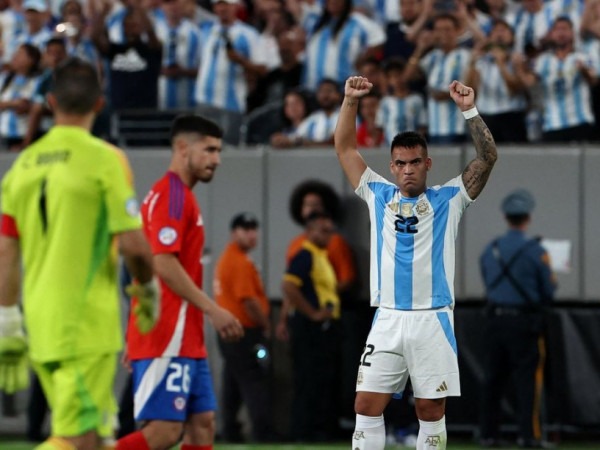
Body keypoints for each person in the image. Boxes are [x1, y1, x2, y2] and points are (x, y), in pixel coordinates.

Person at [0, 57, 159, 450]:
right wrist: (147, 288)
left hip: (40, 322)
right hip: (85, 323)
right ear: (99, 105)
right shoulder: (105, 159)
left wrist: (7, 318)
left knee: (97, 437)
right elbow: (133, 244)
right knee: (78, 438)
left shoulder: (21, 166)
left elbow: (5, 250)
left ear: (50, 102)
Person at [334, 75, 498, 450]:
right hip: (388, 317)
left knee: (430, 409)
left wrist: (469, 110)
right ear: (391, 167)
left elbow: (488, 158)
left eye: (414, 162)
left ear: (427, 163)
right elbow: (344, 148)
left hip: (432, 317)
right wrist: (350, 100)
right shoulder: (377, 194)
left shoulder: (450, 198)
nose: (407, 169)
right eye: (400, 163)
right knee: (365, 404)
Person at [116, 114, 244, 450]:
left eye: (219, 151)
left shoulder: (179, 196)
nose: (217, 159)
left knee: (203, 424)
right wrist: (212, 309)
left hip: (184, 336)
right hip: (167, 334)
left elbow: (140, 266)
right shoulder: (172, 197)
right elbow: (162, 262)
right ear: (183, 148)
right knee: (164, 432)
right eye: (209, 150)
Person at [479, 189, 557, 449]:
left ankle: (488, 434)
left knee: (492, 379)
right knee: (527, 381)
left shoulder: (491, 249)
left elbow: (487, 280)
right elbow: (548, 290)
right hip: (524, 323)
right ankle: (528, 435)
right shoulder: (536, 250)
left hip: (494, 321)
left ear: (505, 217)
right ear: (528, 218)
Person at [282, 211, 341, 442]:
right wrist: (313, 313)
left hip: (323, 328)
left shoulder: (321, 255)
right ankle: (304, 431)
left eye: (330, 231)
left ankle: (318, 428)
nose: (328, 235)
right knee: (308, 379)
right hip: (309, 329)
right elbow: (288, 286)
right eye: (323, 231)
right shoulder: (305, 255)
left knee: (321, 379)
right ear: (310, 230)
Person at [213, 212, 272, 443]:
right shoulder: (238, 261)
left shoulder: (230, 258)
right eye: (245, 230)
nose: (251, 234)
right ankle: (262, 432)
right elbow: (248, 300)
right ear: (233, 233)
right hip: (243, 331)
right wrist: (265, 323)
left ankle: (230, 430)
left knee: (233, 382)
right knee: (253, 380)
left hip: (230, 333)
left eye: (254, 229)